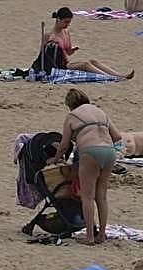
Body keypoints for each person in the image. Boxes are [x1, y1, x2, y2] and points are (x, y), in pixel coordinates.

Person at [51, 88, 122, 245]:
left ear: (70, 105)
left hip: (90, 152)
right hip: (109, 152)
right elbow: (117, 137)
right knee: (101, 196)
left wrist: (56, 159)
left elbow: (64, 145)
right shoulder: (100, 112)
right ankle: (102, 234)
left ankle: (89, 237)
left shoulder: (72, 116)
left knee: (87, 196)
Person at [47, 7, 134, 79]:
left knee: (93, 61)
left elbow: (68, 53)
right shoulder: (50, 35)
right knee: (85, 64)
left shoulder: (66, 32)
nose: (68, 25)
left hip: (67, 63)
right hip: (59, 67)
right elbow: (43, 55)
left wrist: (72, 50)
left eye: (69, 22)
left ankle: (120, 75)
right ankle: (109, 77)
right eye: (66, 22)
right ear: (58, 19)